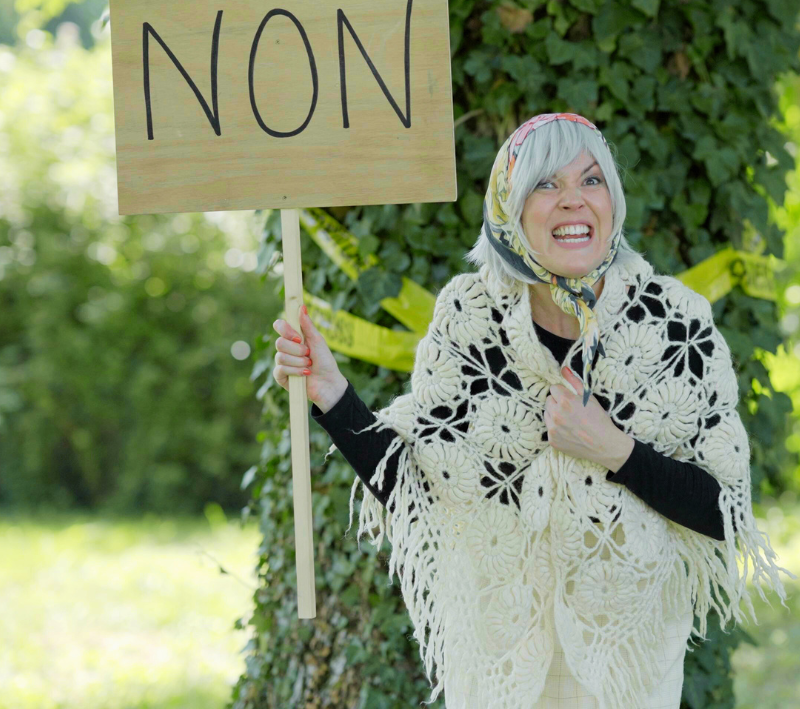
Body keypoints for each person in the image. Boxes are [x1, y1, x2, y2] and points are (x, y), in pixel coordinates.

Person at [271, 114, 793, 709]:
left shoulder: (673, 322)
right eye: (546, 185)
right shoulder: (470, 320)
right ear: (510, 210)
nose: (574, 201)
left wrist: (612, 448)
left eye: (591, 181)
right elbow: (416, 483)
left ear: (613, 202)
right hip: (501, 670)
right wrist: (333, 394)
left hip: (626, 674)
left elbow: (723, 511)